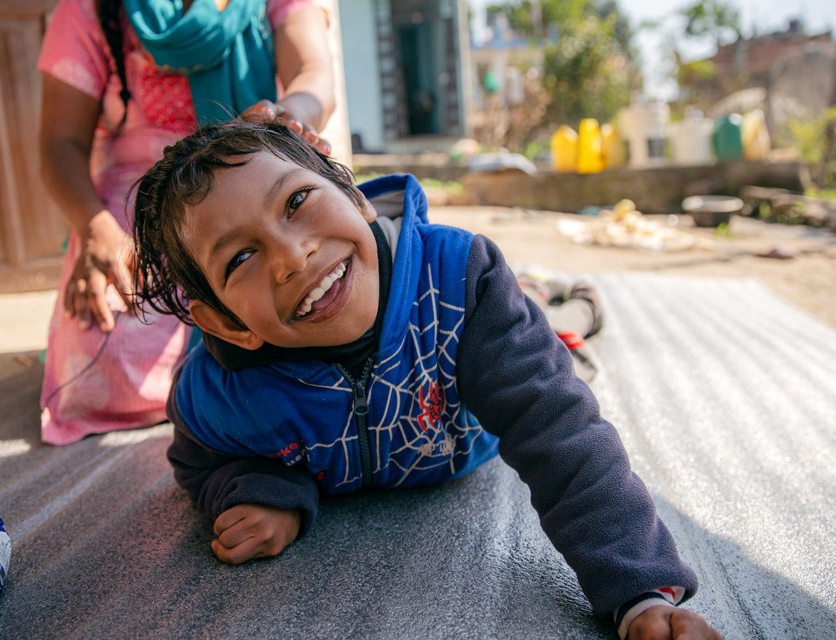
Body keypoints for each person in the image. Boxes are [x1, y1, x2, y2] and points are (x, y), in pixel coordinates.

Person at [131, 122, 721, 640]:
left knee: (557, 340)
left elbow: (558, 428)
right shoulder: (220, 395)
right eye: (240, 259)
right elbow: (198, 460)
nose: (293, 254)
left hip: (478, 415)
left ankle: (569, 300)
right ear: (225, 324)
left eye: (298, 201)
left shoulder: (462, 283)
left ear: (357, 199)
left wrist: (639, 590)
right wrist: (265, 489)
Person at [37, 0, 335, 445]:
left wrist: (290, 117)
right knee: (112, 361)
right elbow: (60, 143)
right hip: (140, 200)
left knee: (319, 292)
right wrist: (96, 231)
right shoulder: (90, 8)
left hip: (246, 178)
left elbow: (314, 76)